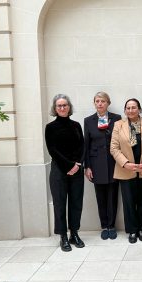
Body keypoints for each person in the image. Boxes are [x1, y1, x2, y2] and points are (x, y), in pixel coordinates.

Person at [110, 98, 142, 244]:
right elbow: (114, 148)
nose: (131, 110)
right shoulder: (118, 125)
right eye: (128, 108)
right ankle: (132, 230)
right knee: (129, 202)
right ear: (125, 111)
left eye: (134, 107)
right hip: (126, 169)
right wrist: (126, 163)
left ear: (139, 109)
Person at [45, 94, 85, 252]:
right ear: (55, 109)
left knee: (76, 203)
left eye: (65, 105)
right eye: (59, 106)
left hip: (77, 170)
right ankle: (63, 236)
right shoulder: (50, 127)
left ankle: (74, 233)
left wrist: (77, 165)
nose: (62, 108)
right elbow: (52, 150)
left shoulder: (76, 125)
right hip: (59, 172)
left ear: (69, 107)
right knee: (60, 204)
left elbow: (82, 146)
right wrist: (69, 166)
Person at [84, 92, 121, 240]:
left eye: (103, 101)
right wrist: (87, 166)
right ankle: (104, 226)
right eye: (97, 101)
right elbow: (86, 145)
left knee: (113, 196)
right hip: (96, 164)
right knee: (100, 197)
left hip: (113, 163)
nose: (100, 103)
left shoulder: (117, 118)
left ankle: (112, 226)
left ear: (108, 103)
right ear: (94, 103)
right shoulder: (88, 121)